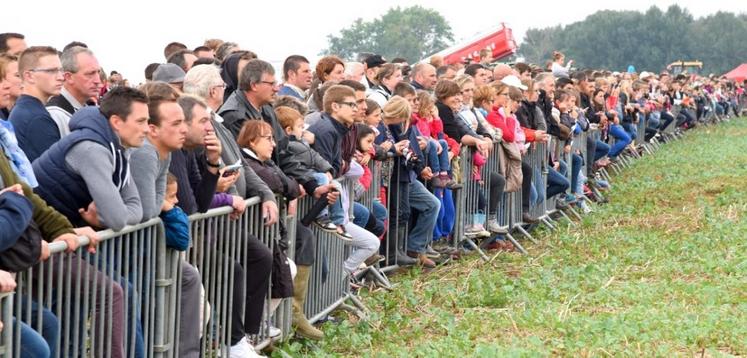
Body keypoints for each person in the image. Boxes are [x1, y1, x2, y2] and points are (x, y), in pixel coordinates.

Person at [128, 89, 205, 358]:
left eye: (184, 122)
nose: (184, 129)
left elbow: (158, 203)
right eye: (176, 124)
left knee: (186, 277)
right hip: (130, 250)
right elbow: (148, 212)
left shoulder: (165, 153)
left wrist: (166, 207)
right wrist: (167, 208)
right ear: (153, 129)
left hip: (147, 247)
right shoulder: (145, 154)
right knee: (138, 305)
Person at [308, 84, 380, 273]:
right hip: (320, 203)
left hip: (331, 201)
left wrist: (341, 167)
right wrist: (338, 171)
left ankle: (337, 286)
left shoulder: (344, 128)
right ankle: (333, 289)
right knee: (320, 267)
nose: (357, 108)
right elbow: (326, 168)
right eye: (352, 104)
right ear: (335, 106)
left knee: (327, 264)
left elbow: (341, 165)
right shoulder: (326, 130)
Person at [8, 46, 64, 161]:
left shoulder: (25, 110)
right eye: (52, 71)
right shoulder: (36, 118)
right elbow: (53, 171)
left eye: (60, 70)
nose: (60, 77)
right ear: (29, 76)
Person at [46, 46, 102, 137]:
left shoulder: (88, 108)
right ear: (68, 77)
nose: (97, 80)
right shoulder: (55, 114)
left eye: (98, 72)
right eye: (90, 74)